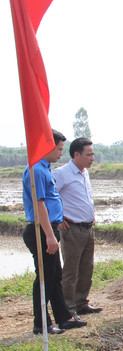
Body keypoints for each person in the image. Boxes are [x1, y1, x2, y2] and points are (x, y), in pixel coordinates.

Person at [22, 129, 86, 335]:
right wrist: (49, 235)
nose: (61, 153)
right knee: (45, 278)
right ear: (46, 147)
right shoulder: (37, 171)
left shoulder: (44, 169)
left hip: (48, 229)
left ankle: (63, 317)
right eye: (58, 149)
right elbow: (39, 205)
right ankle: (41, 324)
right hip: (41, 231)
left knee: (55, 274)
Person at [53, 137, 102, 315]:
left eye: (93, 154)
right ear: (76, 154)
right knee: (71, 270)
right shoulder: (62, 174)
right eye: (89, 154)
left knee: (86, 269)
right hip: (72, 229)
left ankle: (81, 302)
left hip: (88, 228)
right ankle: (68, 307)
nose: (92, 158)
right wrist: (59, 218)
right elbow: (50, 196)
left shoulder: (84, 173)